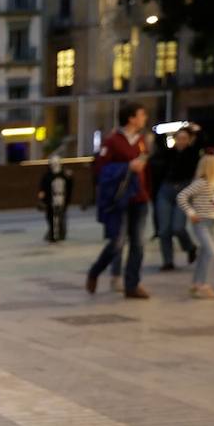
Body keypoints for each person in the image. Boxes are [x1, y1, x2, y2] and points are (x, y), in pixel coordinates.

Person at [86, 103, 152, 298]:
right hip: (120, 198)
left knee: (138, 243)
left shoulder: (141, 140)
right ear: (131, 118)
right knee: (117, 242)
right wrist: (127, 167)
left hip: (140, 196)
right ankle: (95, 271)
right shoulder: (113, 141)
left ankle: (132, 284)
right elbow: (100, 170)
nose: (144, 118)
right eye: (141, 114)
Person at [149, 126, 200, 270]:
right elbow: (158, 148)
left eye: (184, 139)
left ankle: (190, 247)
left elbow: (202, 143)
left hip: (184, 191)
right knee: (164, 230)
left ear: (189, 140)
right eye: (178, 138)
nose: (181, 141)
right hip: (166, 190)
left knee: (178, 227)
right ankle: (168, 261)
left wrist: (196, 131)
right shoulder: (168, 154)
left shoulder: (193, 154)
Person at [177, 154, 214, 299]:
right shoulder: (201, 183)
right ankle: (202, 284)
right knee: (210, 251)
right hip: (201, 223)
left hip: (212, 222)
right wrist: (190, 212)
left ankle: (196, 283)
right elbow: (182, 196)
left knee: (205, 252)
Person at [37, 156, 72, 243]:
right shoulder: (49, 176)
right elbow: (43, 188)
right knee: (53, 216)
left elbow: (69, 187)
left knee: (59, 216)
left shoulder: (64, 175)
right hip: (53, 199)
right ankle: (54, 233)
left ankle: (58, 234)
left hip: (60, 198)